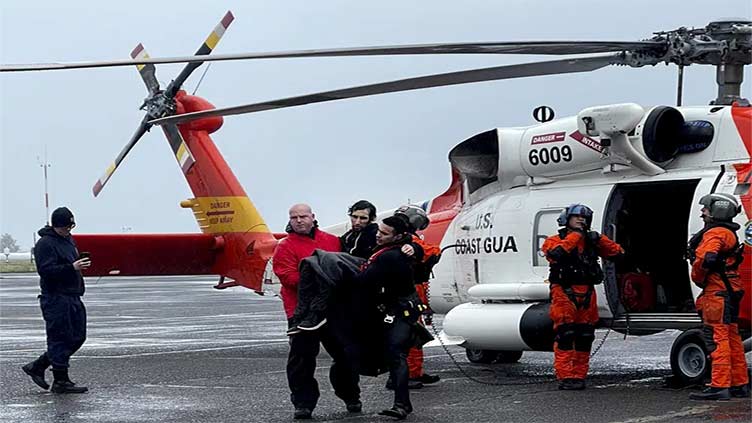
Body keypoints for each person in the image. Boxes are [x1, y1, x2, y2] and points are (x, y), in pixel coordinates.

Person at [272, 203, 362, 420]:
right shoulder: (284, 246)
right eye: (294, 217)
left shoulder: (332, 241)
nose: (299, 220)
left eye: (303, 216)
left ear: (313, 217)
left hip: (333, 309)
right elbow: (287, 277)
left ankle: (350, 395)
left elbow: (346, 266)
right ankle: (303, 403)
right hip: (301, 312)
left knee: (345, 355)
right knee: (302, 359)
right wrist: (321, 279)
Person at [541, 204, 624, 390]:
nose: (581, 220)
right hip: (564, 292)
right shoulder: (554, 241)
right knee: (565, 334)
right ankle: (565, 376)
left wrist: (600, 239)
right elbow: (557, 255)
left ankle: (578, 375)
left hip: (587, 292)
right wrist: (577, 236)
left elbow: (618, 253)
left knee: (585, 335)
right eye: (577, 217)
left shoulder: (591, 241)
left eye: (584, 218)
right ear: (566, 219)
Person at [355, 214, 430, 419]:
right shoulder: (393, 251)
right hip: (403, 310)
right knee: (396, 356)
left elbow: (364, 282)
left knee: (397, 356)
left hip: (399, 312)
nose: (378, 235)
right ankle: (402, 402)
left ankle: (402, 404)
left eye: (384, 234)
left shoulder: (390, 257)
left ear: (398, 236)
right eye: (379, 231)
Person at [687, 193, 749, 400]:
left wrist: (698, 278)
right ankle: (739, 383)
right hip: (730, 291)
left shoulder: (715, 233)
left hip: (717, 293)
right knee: (732, 339)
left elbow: (705, 259)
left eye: (706, 209)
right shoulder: (729, 233)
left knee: (716, 338)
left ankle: (719, 385)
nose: (703, 212)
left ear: (717, 210)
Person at [22, 207, 90, 394]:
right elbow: (46, 271)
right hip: (56, 298)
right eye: (65, 227)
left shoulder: (68, 240)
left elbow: (68, 265)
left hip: (73, 295)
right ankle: (60, 380)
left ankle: (38, 365)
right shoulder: (45, 244)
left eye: (71, 226)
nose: (68, 230)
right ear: (56, 226)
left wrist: (77, 267)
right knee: (59, 338)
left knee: (78, 336)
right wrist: (71, 267)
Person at [390, 205, 442, 390]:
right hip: (410, 291)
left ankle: (414, 372)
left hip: (413, 290)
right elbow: (433, 251)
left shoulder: (403, 239)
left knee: (415, 333)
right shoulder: (409, 240)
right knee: (409, 334)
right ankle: (405, 375)